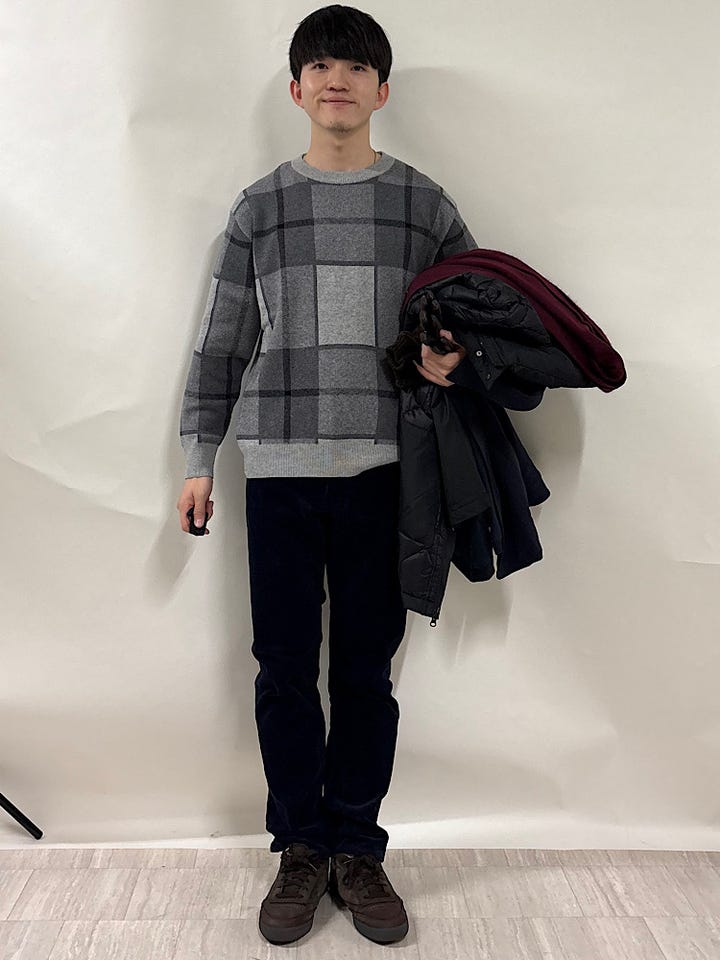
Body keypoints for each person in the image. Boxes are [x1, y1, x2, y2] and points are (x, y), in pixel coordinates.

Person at [175, 3, 477, 947]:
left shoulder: (425, 205)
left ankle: (357, 847)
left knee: (365, 673)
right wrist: (199, 459)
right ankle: (300, 846)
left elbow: (477, 311)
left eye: (355, 68)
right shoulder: (258, 207)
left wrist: (453, 356)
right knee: (281, 667)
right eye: (319, 66)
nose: (336, 80)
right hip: (277, 469)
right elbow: (222, 344)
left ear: (382, 91)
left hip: (387, 473)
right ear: (295, 88)